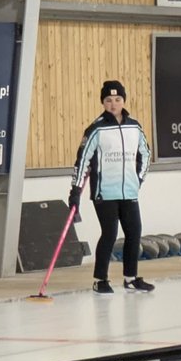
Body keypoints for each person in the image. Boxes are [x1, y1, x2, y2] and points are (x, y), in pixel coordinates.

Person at [69, 80, 153, 294]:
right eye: (108, 100)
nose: (113, 104)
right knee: (109, 233)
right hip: (105, 192)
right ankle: (100, 280)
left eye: (117, 99)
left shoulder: (134, 126)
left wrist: (138, 179)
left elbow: (145, 153)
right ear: (103, 102)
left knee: (134, 232)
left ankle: (131, 278)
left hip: (129, 191)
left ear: (123, 100)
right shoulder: (96, 129)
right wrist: (75, 192)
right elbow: (82, 161)